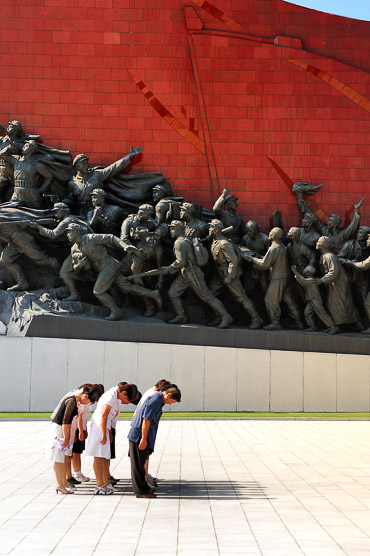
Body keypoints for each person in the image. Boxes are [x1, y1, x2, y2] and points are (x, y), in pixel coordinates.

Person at [162, 220, 233, 328]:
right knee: (173, 293)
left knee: (207, 297)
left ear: (179, 229)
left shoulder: (179, 242)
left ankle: (226, 316)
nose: (170, 230)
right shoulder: (187, 239)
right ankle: (181, 316)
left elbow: (181, 261)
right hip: (185, 273)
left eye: (173, 228)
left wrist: (169, 268)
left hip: (193, 273)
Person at [45, 385, 101, 495]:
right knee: (58, 458)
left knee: (62, 459)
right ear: (85, 395)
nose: (87, 404)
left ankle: (62, 483)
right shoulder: (72, 401)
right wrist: (66, 438)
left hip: (62, 429)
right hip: (58, 429)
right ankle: (60, 485)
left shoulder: (76, 401)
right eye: (89, 401)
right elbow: (66, 421)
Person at [243, 227, 303, 330]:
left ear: (273, 236)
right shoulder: (282, 246)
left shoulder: (273, 248)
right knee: (289, 300)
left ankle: (275, 322)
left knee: (269, 299)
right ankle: (299, 322)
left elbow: (264, 265)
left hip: (277, 277)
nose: (269, 233)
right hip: (285, 276)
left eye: (271, 232)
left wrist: (252, 259)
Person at [128, 385, 181, 498]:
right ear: (169, 395)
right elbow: (146, 420)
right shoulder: (155, 401)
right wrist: (143, 438)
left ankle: (144, 489)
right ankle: (141, 492)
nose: (170, 404)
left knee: (141, 463)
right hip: (139, 436)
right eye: (172, 401)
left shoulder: (158, 399)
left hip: (142, 436)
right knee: (138, 466)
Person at [85, 382, 139, 495]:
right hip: (100, 427)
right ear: (123, 392)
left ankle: (105, 483)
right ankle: (99, 485)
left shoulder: (114, 394)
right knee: (99, 457)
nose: (125, 401)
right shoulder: (111, 395)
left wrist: (108, 432)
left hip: (105, 426)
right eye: (126, 398)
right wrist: (104, 434)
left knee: (104, 457)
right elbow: (104, 415)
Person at [208, 219, 262, 329]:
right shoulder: (215, 241)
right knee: (210, 294)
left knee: (241, 297)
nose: (209, 229)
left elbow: (233, 261)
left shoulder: (224, 244)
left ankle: (256, 318)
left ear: (217, 229)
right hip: (219, 272)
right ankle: (221, 316)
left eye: (211, 227)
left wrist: (229, 276)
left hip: (228, 272)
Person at [69, 146, 143, 216]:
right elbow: (69, 199)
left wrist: (129, 156)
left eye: (87, 163)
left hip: (98, 211)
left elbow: (113, 168)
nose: (87, 165)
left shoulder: (97, 174)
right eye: (84, 164)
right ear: (78, 166)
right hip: (82, 213)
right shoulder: (73, 183)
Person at [314, 236, 361, 330]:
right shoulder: (324, 255)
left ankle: (353, 324)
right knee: (336, 304)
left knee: (338, 304)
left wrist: (321, 280)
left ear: (323, 245)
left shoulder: (329, 256)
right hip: (333, 283)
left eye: (318, 242)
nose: (316, 243)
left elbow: (334, 272)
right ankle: (335, 325)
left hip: (338, 283)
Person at [131, 379, 171, 488]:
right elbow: (146, 419)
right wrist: (144, 438)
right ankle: (144, 481)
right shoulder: (155, 398)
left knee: (144, 456)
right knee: (142, 457)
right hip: (140, 429)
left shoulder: (153, 395)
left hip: (140, 428)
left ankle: (145, 478)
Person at [291, 264, 339, 334]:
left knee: (321, 313)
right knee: (307, 312)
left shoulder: (310, 281)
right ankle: (313, 326)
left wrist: (295, 272)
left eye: (305, 270)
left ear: (308, 273)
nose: (304, 270)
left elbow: (303, 281)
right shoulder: (313, 280)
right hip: (311, 299)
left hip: (315, 299)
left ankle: (333, 327)